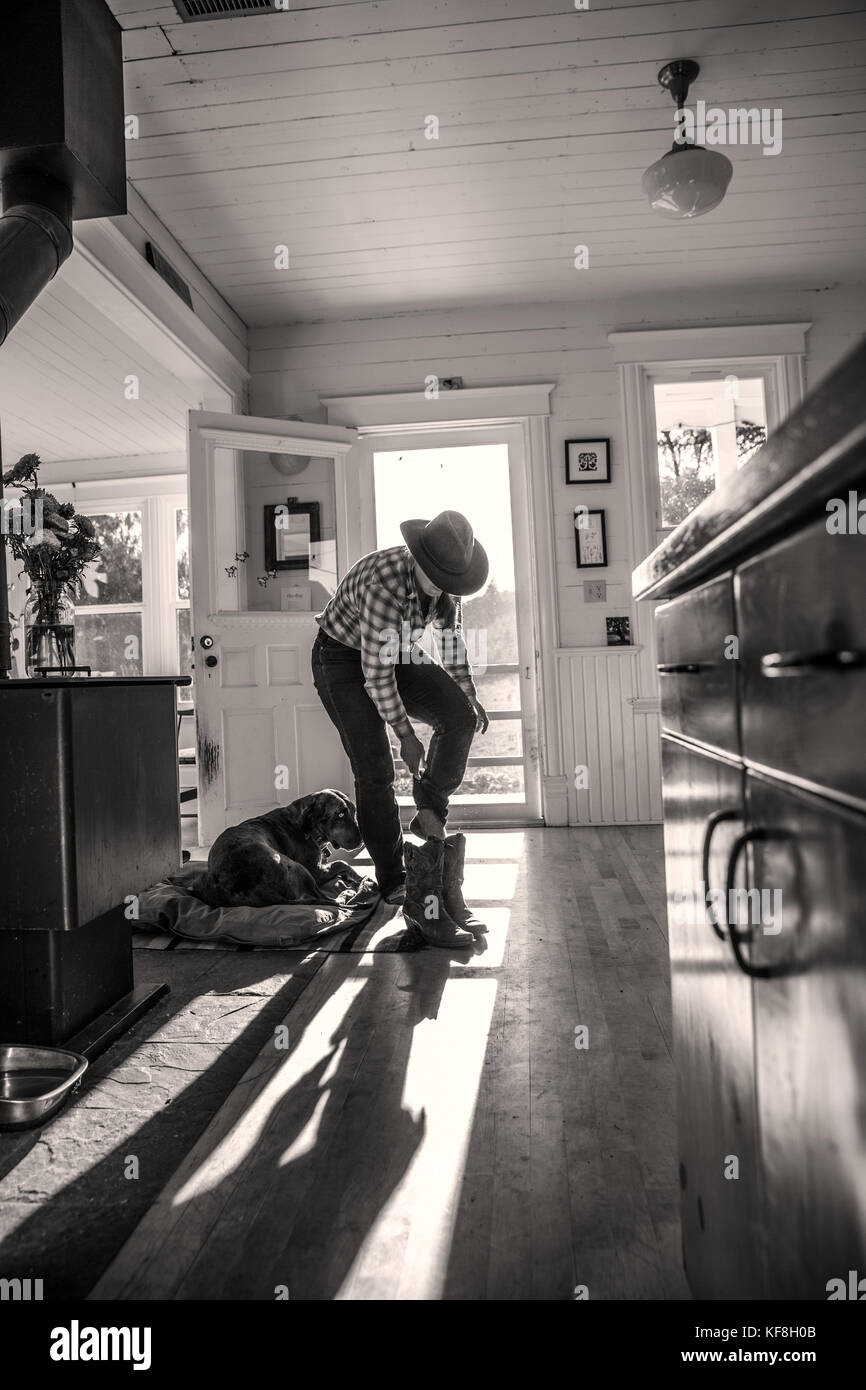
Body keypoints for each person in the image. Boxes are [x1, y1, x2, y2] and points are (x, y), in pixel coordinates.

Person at [311, 510, 489, 948]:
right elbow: (376, 675)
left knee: (460, 717)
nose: (439, 584)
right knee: (375, 771)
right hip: (342, 659)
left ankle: (429, 814)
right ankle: (396, 879)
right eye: (434, 575)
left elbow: (450, 642)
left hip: (396, 649)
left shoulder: (447, 586)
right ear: (417, 556)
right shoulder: (384, 584)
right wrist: (406, 735)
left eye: (448, 578)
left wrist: (469, 694)